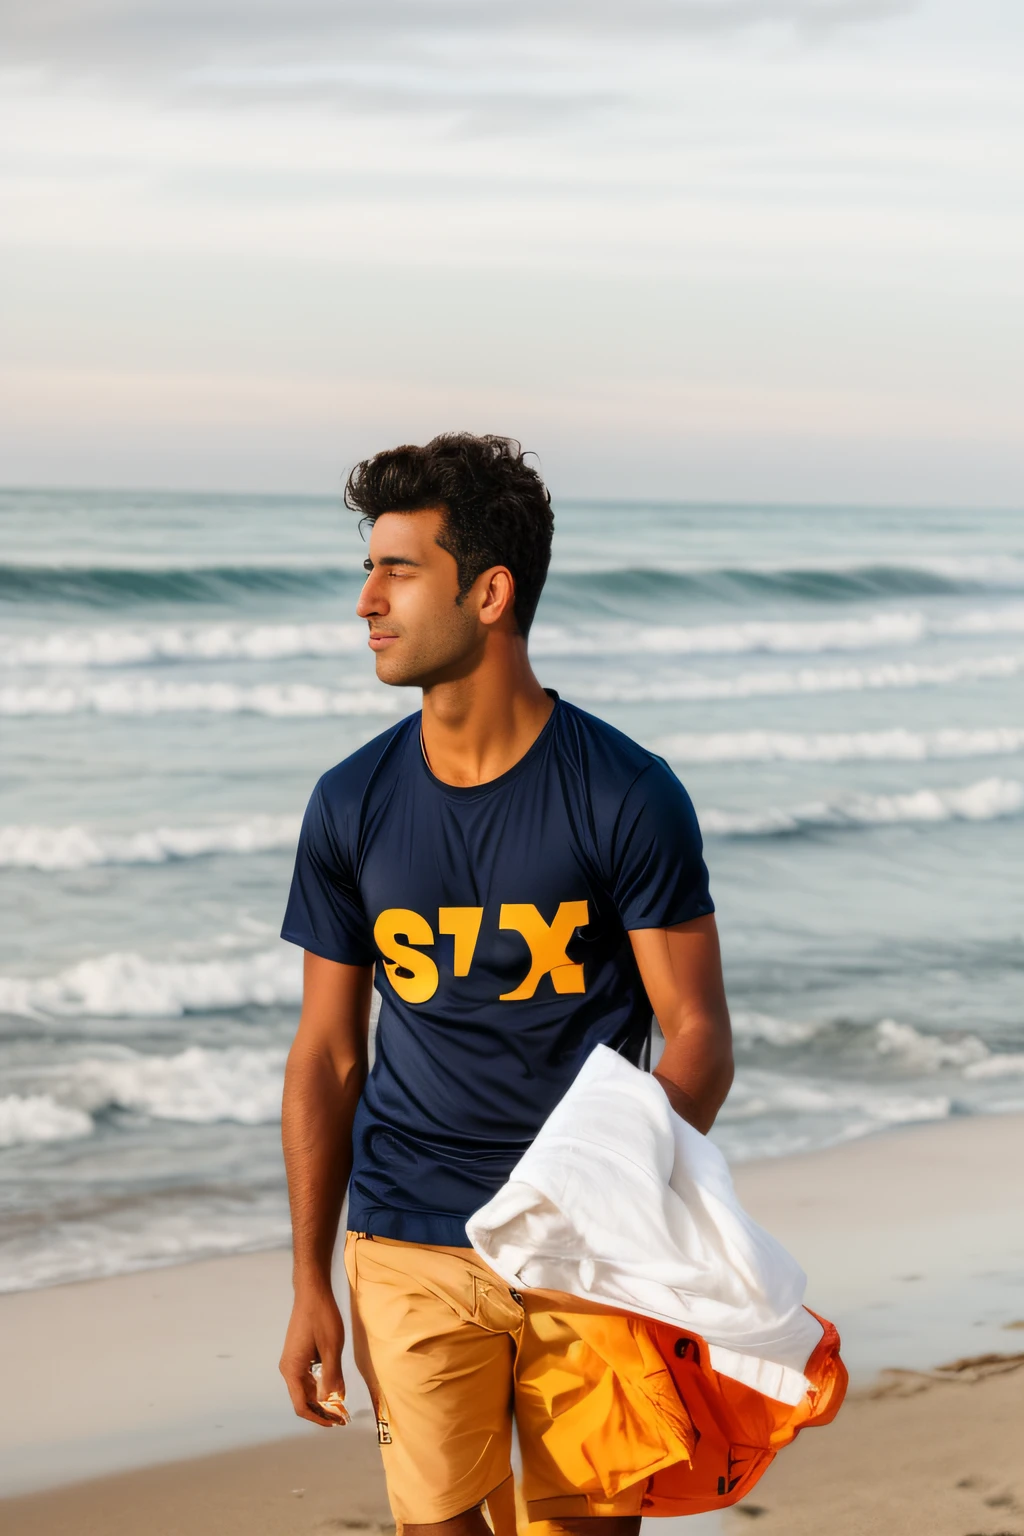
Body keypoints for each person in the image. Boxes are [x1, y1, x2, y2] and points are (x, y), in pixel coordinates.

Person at [278, 433, 734, 1536]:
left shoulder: (626, 794)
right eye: (368, 567)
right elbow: (329, 1053)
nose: (365, 602)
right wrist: (307, 1281)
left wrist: (605, 1193)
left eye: (397, 570)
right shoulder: (350, 803)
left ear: (488, 592)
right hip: (405, 1240)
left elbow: (697, 1036)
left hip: (579, 1251)